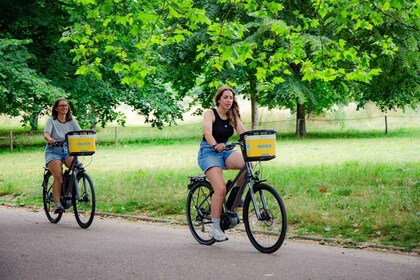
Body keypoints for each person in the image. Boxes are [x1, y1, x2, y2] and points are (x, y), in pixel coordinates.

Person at [197, 86, 247, 241]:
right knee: (220, 189)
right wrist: (214, 145)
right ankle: (215, 228)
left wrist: (256, 142)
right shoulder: (210, 113)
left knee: (248, 165)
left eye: (231, 98)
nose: (228, 100)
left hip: (225, 149)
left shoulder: (233, 115)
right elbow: (207, 132)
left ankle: (234, 198)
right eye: (225, 97)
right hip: (209, 151)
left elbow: (244, 133)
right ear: (218, 99)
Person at [44, 98, 81, 214]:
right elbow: (46, 134)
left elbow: (80, 133)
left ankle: (68, 191)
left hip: (68, 150)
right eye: (61, 106)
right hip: (53, 150)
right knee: (58, 176)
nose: (64, 107)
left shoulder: (72, 121)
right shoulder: (52, 121)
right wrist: (50, 139)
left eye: (65, 105)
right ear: (56, 108)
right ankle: (57, 204)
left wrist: (91, 139)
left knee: (77, 168)